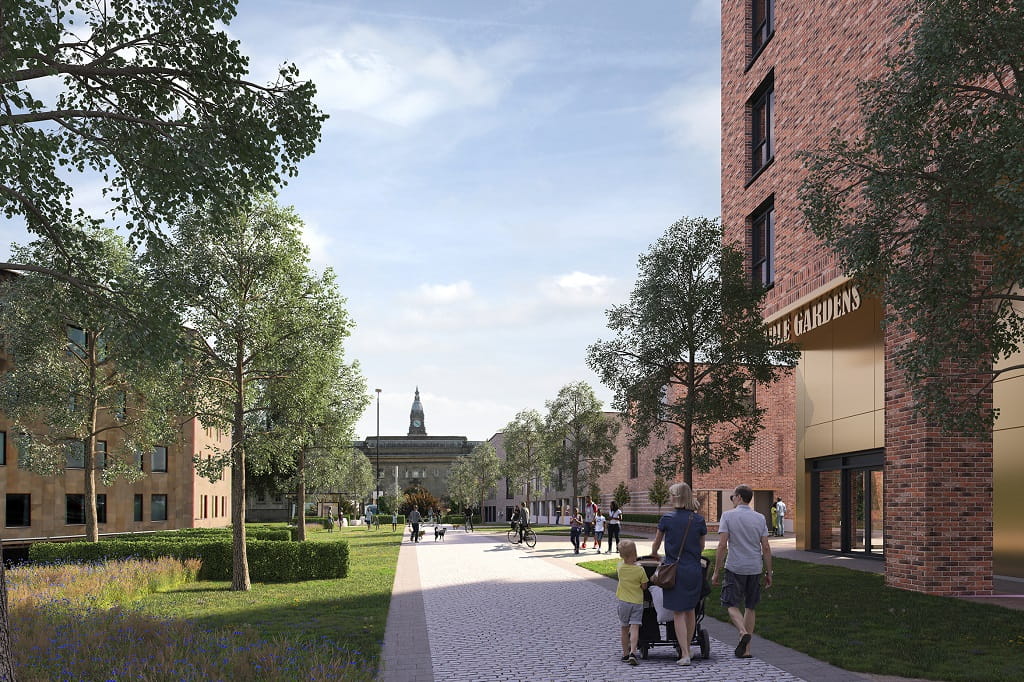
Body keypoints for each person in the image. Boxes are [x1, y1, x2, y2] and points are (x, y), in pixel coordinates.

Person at [649, 481, 707, 667]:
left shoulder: (667, 518)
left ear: (676, 497)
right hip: (693, 571)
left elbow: (656, 544)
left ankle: (685, 654)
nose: (670, 497)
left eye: (672, 494)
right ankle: (687, 648)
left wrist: (655, 554)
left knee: (678, 613)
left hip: (674, 571)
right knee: (690, 610)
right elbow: (701, 546)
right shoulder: (698, 520)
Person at [712, 484, 773, 659]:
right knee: (750, 606)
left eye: (732, 497)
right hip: (754, 567)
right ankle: (746, 650)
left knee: (731, 604)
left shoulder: (727, 516)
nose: (732, 499)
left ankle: (742, 631)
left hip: (735, 566)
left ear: (739, 497)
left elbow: (722, 545)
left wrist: (716, 570)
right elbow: (766, 547)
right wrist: (769, 573)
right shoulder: (760, 518)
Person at [615, 539, 648, 666]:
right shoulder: (640, 570)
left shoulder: (620, 567)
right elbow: (644, 586)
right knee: (635, 627)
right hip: (637, 602)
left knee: (624, 629)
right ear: (635, 553)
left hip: (623, 602)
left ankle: (625, 654)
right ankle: (633, 652)